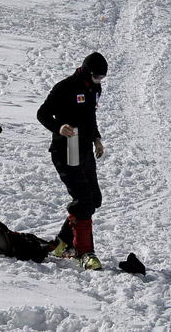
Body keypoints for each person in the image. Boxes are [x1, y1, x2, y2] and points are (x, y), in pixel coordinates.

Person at [36, 51, 108, 269]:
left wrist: (96, 138)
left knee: (93, 198)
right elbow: (42, 113)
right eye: (97, 76)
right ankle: (83, 251)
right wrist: (58, 126)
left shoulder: (94, 88)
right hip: (65, 150)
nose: (99, 81)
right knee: (84, 198)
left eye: (102, 78)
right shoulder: (65, 87)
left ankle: (62, 243)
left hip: (84, 148)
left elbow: (90, 116)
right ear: (87, 72)